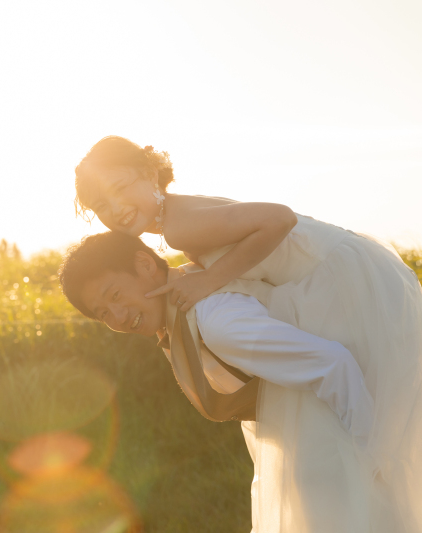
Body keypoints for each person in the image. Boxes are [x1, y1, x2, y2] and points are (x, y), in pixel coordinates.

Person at [73, 136, 422, 532]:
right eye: (101, 206)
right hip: (328, 281)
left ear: (151, 172)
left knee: (377, 430)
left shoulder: (179, 230)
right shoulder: (178, 221)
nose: (116, 208)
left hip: (341, 279)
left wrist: (210, 280)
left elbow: (280, 219)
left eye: (120, 188)